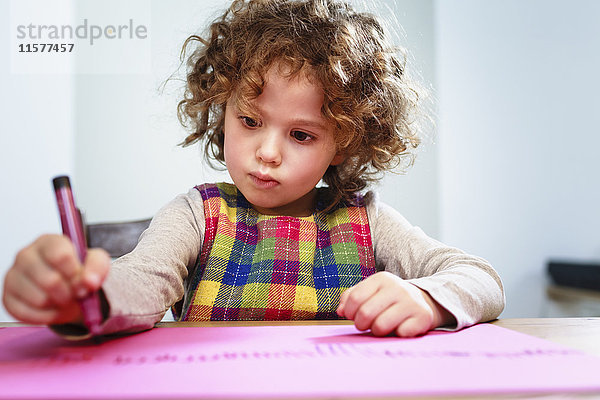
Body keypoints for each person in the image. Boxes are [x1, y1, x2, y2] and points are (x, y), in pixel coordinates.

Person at [2, 0, 504, 339]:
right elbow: (141, 283)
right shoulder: (196, 216)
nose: (267, 152)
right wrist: (81, 300)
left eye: (301, 135)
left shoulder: (368, 223)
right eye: (249, 120)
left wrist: (426, 297)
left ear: (343, 142)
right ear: (221, 107)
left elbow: (480, 278)